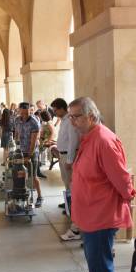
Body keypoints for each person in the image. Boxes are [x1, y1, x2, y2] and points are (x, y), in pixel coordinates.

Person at [69, 97, 135, 272]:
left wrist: (128, 196)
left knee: (101, 263)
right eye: (70, 116)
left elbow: (122, 178)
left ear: (91, 116)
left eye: (76, 116)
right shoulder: (90, 136)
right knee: (95, 262)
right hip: (90, 214)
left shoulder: (104, 140)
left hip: (101, 215)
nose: (72, 121)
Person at [51, 98, 81, 241]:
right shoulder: (64, 120)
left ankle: (75, 220)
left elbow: (73, 141)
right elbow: (65, 139)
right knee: (68, 185)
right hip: (63, 155)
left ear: (62, 108)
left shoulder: (69, 121)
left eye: (56, 109)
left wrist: (69, 159)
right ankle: (71, 210)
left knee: (72, 187)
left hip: (68, 158)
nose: (54, 112)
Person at [15, 102, 43, 208]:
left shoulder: (34, 122)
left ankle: (40, 197)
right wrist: (16, 147)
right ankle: (22, 195)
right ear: (19, 111)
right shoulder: (17, 120)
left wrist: (29, 156)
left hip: (31, 151)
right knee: (20, 174)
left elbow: (33, 141)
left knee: (33, 176)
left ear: (29, 111)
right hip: (21, 151)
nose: (24, 116)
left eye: (26, 113)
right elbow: (17, 134)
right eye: (22, 113)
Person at [36, 110, 56, 178]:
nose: (40, 117)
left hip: (44, 141)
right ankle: (37, 170)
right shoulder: (46, 122)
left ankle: (37, 171)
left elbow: (53, 133)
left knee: (37, 154)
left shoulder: (49, 123)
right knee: (37, 154)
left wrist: (48, 141)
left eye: (40, 116)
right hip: (42, 140)